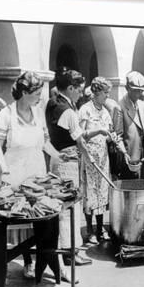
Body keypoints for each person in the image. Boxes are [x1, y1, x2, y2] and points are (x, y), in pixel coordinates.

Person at [0, 71, 63, 280]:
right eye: (36, 92)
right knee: (20, 216)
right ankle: (27, 261)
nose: (40, 97)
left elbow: (44, 142)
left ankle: (50, 261)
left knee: (44, 216)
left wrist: (59, 155)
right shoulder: (6, 113)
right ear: (24, 91)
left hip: (36, 170)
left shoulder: (38, 112)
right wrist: (4, 169)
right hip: (14, 170)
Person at [45, 69, 93, 269]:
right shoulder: (68, 111)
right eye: (79, 90)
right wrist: (90, 159)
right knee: (69, 208)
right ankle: (70, 253)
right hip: (68, 162)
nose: (81, 94)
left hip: (56, 160)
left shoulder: (52, 103)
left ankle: (65, 251)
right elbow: (80, 141)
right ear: (71, 88)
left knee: (61, 207)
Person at [79, 77, 127, 244]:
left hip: (103, 157)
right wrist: (98, 131)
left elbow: (111, 135)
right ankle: (90, 230)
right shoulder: (85, 110)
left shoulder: (105, 111)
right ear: (96, 92)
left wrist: (121, 148)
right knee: (90, 192)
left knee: (102, 193)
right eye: (105, 92)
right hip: (89, 156)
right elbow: (80, 135)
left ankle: (100, 229)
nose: (107, 95)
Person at [119, 71, 144, 179]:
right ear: (127, 88)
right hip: (129, 159)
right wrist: (124, 154)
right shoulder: (120, 106)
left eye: (140, 91)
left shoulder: (142, 105)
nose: (138, 94)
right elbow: (118, 136)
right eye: (135, 91)